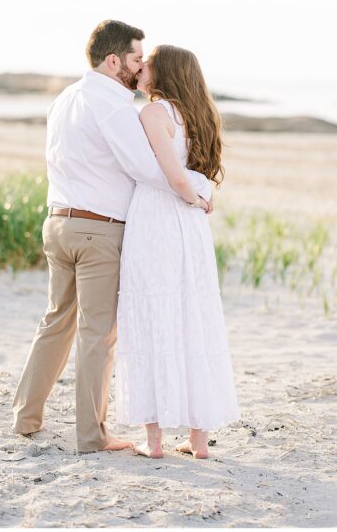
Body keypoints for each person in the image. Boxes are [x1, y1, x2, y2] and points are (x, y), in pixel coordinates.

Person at [11, 20, 213, 454]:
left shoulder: (66, 98)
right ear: (113, 60)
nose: (139, 67)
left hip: (58, 222)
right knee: (98, 333)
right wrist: (199, 187)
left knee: (56, 321)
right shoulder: (115, 105)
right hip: (98, 229)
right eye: (136, 58)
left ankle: (26, 417)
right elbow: (147, 168)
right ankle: (92, 435)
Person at [114, 44, 240, 459]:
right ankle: (198, 440)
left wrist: (195, 196)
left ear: (163, 71)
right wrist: (202, 196)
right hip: (190, 227)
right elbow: (195, 173)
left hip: (159, 218)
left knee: (153, 314)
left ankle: (154, 443)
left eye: (147, 63)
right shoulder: (199, 115)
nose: (141, 68)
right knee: (191, 318)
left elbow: (171, 174)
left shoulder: (153, 113)